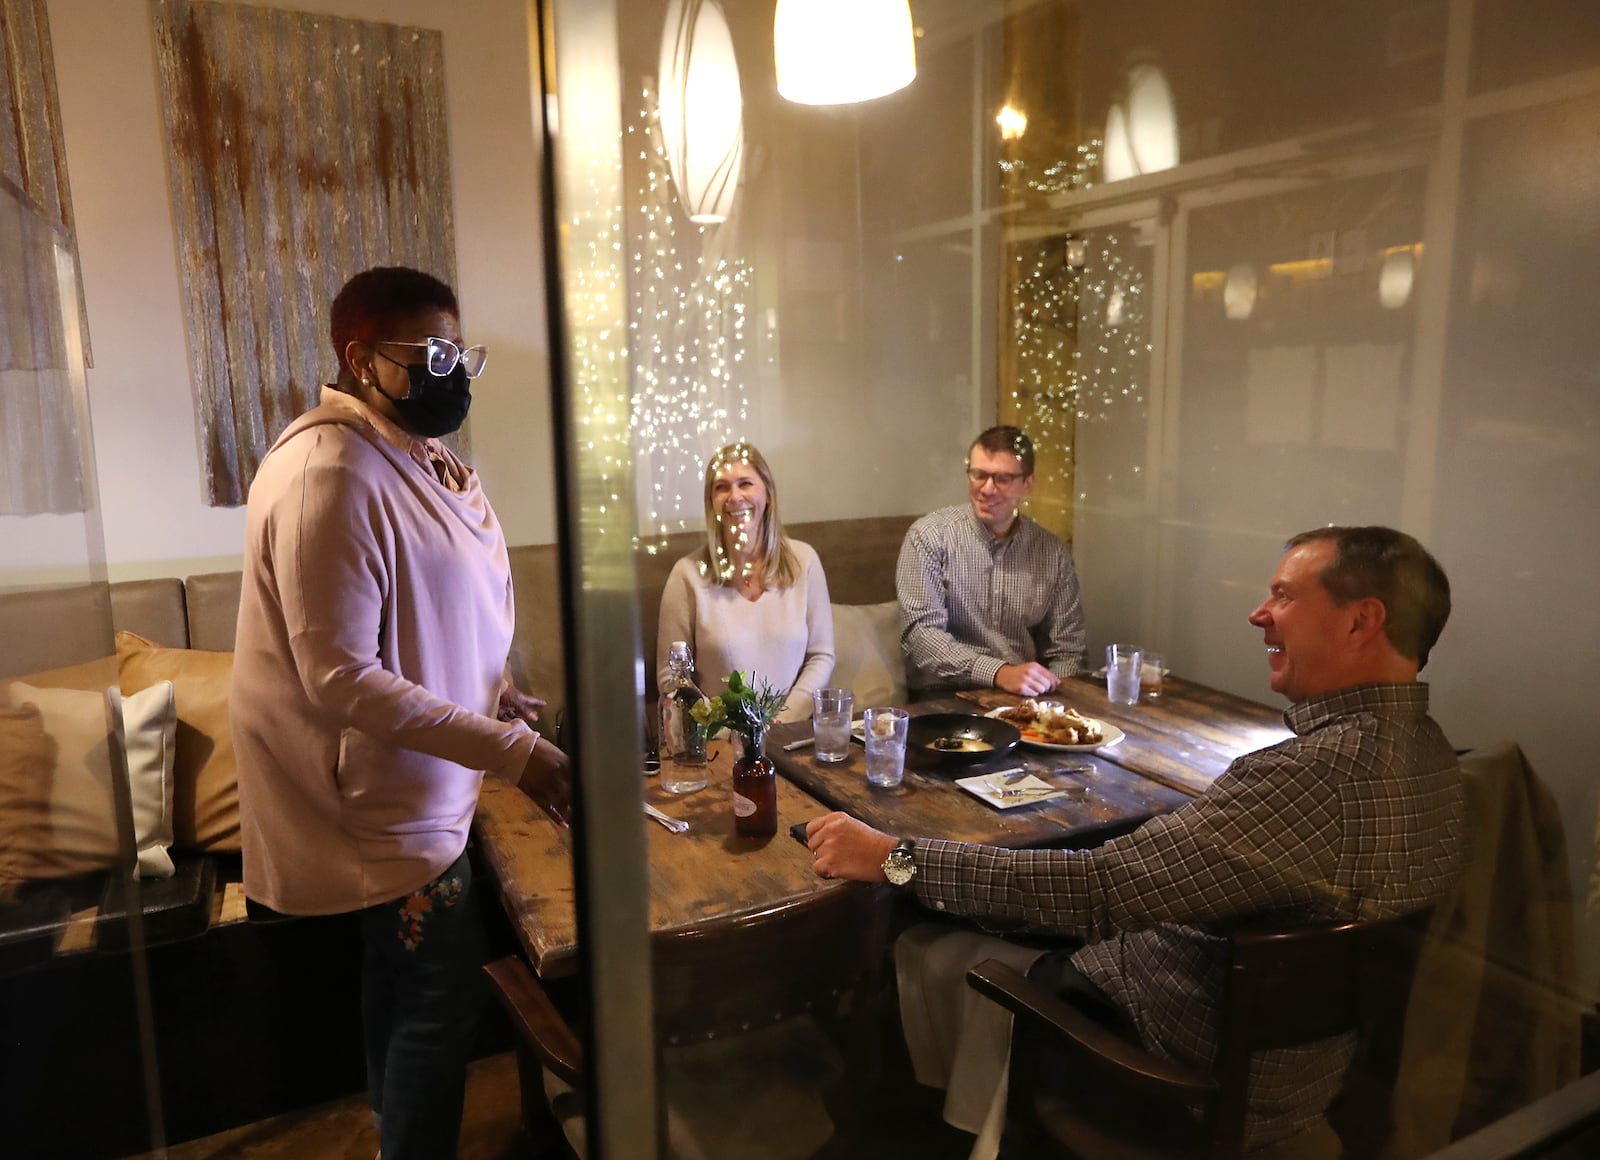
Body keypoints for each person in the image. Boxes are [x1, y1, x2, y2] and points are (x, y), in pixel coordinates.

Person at [810, 526, 1469, 1154]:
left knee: (915, 930)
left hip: (1166, 1073)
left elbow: (1096, 891)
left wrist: (894, 857)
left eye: (1284, 595)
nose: (1258, 614)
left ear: (1362, 621)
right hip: (1312, 1065)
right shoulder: (1436, 757)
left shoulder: (1311, 777)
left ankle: (904, 1135)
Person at [231, 266, 569, 1160]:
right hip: (385, 800)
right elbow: (339, 675)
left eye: (462, 353)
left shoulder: (408, 454)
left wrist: (495, 689)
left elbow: (436, 602)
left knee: (402, 981)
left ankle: (391, 1140)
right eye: (432, 354)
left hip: (430, 777)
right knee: (435, 1000)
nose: (452, 373)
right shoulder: (329, 473)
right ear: (360, 355)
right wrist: (513, 749)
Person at [897, 425, 1086, 696]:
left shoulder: (1051, 552)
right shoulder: (930, 536)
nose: (987, 489)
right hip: (945, 698)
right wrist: (998, 673)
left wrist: (1050, 706)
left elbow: (1068, 650)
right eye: (979, 475)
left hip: (1023, 701)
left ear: (1027, 484)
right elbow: (921, 637)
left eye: (1003, 478)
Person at [657, 441, 834, 724]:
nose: (734, 496)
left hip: (792, 736)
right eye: (722, 487)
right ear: (711, 502)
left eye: (745, 483)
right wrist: (729, 731)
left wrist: (778, 724)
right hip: (718, 744)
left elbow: (821, 657)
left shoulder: (804, 561)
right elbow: (671, 678)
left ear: (768, 495)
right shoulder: (686, 575)